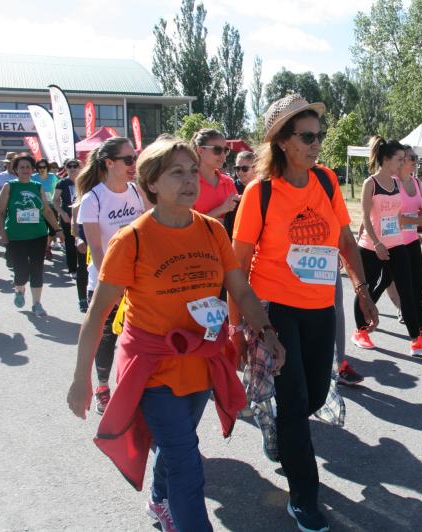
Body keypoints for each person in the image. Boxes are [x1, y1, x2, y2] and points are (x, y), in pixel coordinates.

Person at [67, 136, 283, 531]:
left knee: (176, 444)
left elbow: (241, 290)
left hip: (201, 362)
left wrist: (266, 330)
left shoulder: (213, 232)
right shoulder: (130, 239)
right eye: (176, 173)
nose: (189, 181)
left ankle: (157, 499)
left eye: (191, 171)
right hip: (152, 367)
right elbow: (98, 314)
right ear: (151, 183)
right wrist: (82, 379)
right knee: (187, 461)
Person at [230, 93, 378, 531]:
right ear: (282, 141)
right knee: (295, 402)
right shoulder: (260, 193)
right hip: (274, 309)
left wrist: (363, 291)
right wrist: (239, 325)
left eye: (319, 135)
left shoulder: (328, 181)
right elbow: (238, 264)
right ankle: (304, 498)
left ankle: (275, 426)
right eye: (307, 136)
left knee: (313, 395)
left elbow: (345, 241)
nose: (316, 143)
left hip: (319, 307)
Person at [77, 137, 146, 414]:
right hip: (106, 283)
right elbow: (96, 248)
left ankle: (134, 389)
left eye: (135, 158)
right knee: (106, 339)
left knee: (138, 338)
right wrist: (114, 284)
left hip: (139, 283)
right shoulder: (92, 199)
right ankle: (102, 387)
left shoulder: (137, 191)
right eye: (128, 160)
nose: (134, 165)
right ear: (108, 163)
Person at [351, 136, 422, 355]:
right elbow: (365, 217)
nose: (402, 163)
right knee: (366, 289)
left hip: (396, 243)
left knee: (407, 290)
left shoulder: (395, 183)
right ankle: (360, 331)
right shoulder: (370, 183)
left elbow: (396, 215)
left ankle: (416, 339)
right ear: (387, 159)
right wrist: (378, 243)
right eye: (399, 159)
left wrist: (414, 228)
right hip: (372, 246)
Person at [0, 154, 64, 315]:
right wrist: (2, 233)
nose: (25, 170)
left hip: (38, 235)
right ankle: (19, 290)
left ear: (32, 169)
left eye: (28, 167)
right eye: (21, 167)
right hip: (16, 236)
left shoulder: (37, 186)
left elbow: (46, 210)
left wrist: (58, 229)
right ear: (15, 170)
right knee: (20, 269)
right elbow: (0, 212)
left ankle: (37, 303)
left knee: (37, 269)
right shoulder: (9, 186)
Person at [53, 158, 88, 310]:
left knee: (82, 249)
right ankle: (72, 269)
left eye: (76, 165)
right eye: (70, 166)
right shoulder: (62, 183)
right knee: (70, 243)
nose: (73, 168)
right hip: (67, 217)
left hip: (83, 219)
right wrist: (62, 213)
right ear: (66, 168)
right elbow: (54, 201)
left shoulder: (86, 181)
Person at [191, 128, 239, 234]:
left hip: (225, 246)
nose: (223, 155)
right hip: (197, 247)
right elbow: (187, 225)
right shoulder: (189, 184)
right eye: (217, 150)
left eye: (225, 150)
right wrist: (221, 210)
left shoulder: (228, 182)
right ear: (200, 150)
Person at [32, 158, 61, 259]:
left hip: (51, 206)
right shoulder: (33, 177)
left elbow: (58, 189)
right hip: (39, 207)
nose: (42, 169)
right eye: (39, 167)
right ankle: (44, 248)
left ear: (47, 168)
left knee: (53, 229)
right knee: (42, 229)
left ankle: (47, 246)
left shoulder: (53, 177)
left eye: (44, 167)